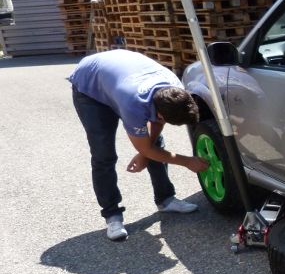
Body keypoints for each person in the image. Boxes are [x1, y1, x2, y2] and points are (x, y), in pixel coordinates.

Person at [70, 49, 208, 241]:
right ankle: (112, 216)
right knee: (104, 154)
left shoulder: (174, 89)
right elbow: (145, 146)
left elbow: (157, 126)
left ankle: (165, 200)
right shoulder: (134, 103)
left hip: (119, 74)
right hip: (90, 87)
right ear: (158, 111)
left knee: (155, 145)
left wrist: (146, 153)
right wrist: (186, 161)